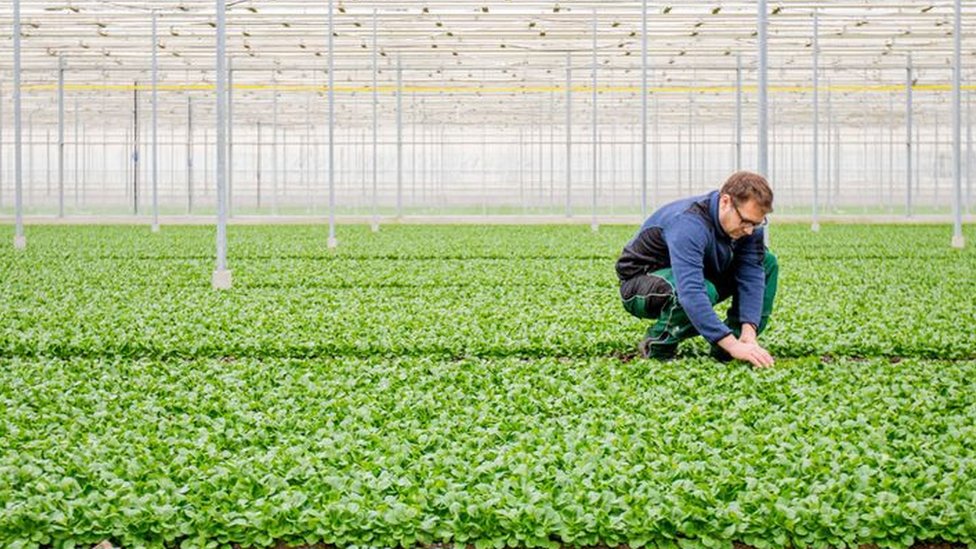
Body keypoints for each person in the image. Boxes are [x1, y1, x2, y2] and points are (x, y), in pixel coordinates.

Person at [615, 171, 779, 368]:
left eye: (756, 223)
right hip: (641, 284)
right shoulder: (688, 223)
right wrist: (730, 343)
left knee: (767, 262)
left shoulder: (747, 226)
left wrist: (748, 332)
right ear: (726, 201)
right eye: (745, 221)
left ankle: (731, 348)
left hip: (695, 276)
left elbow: (752, 274)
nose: (749, 230)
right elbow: (691, 291)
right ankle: (658, 346)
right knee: (701, 290)